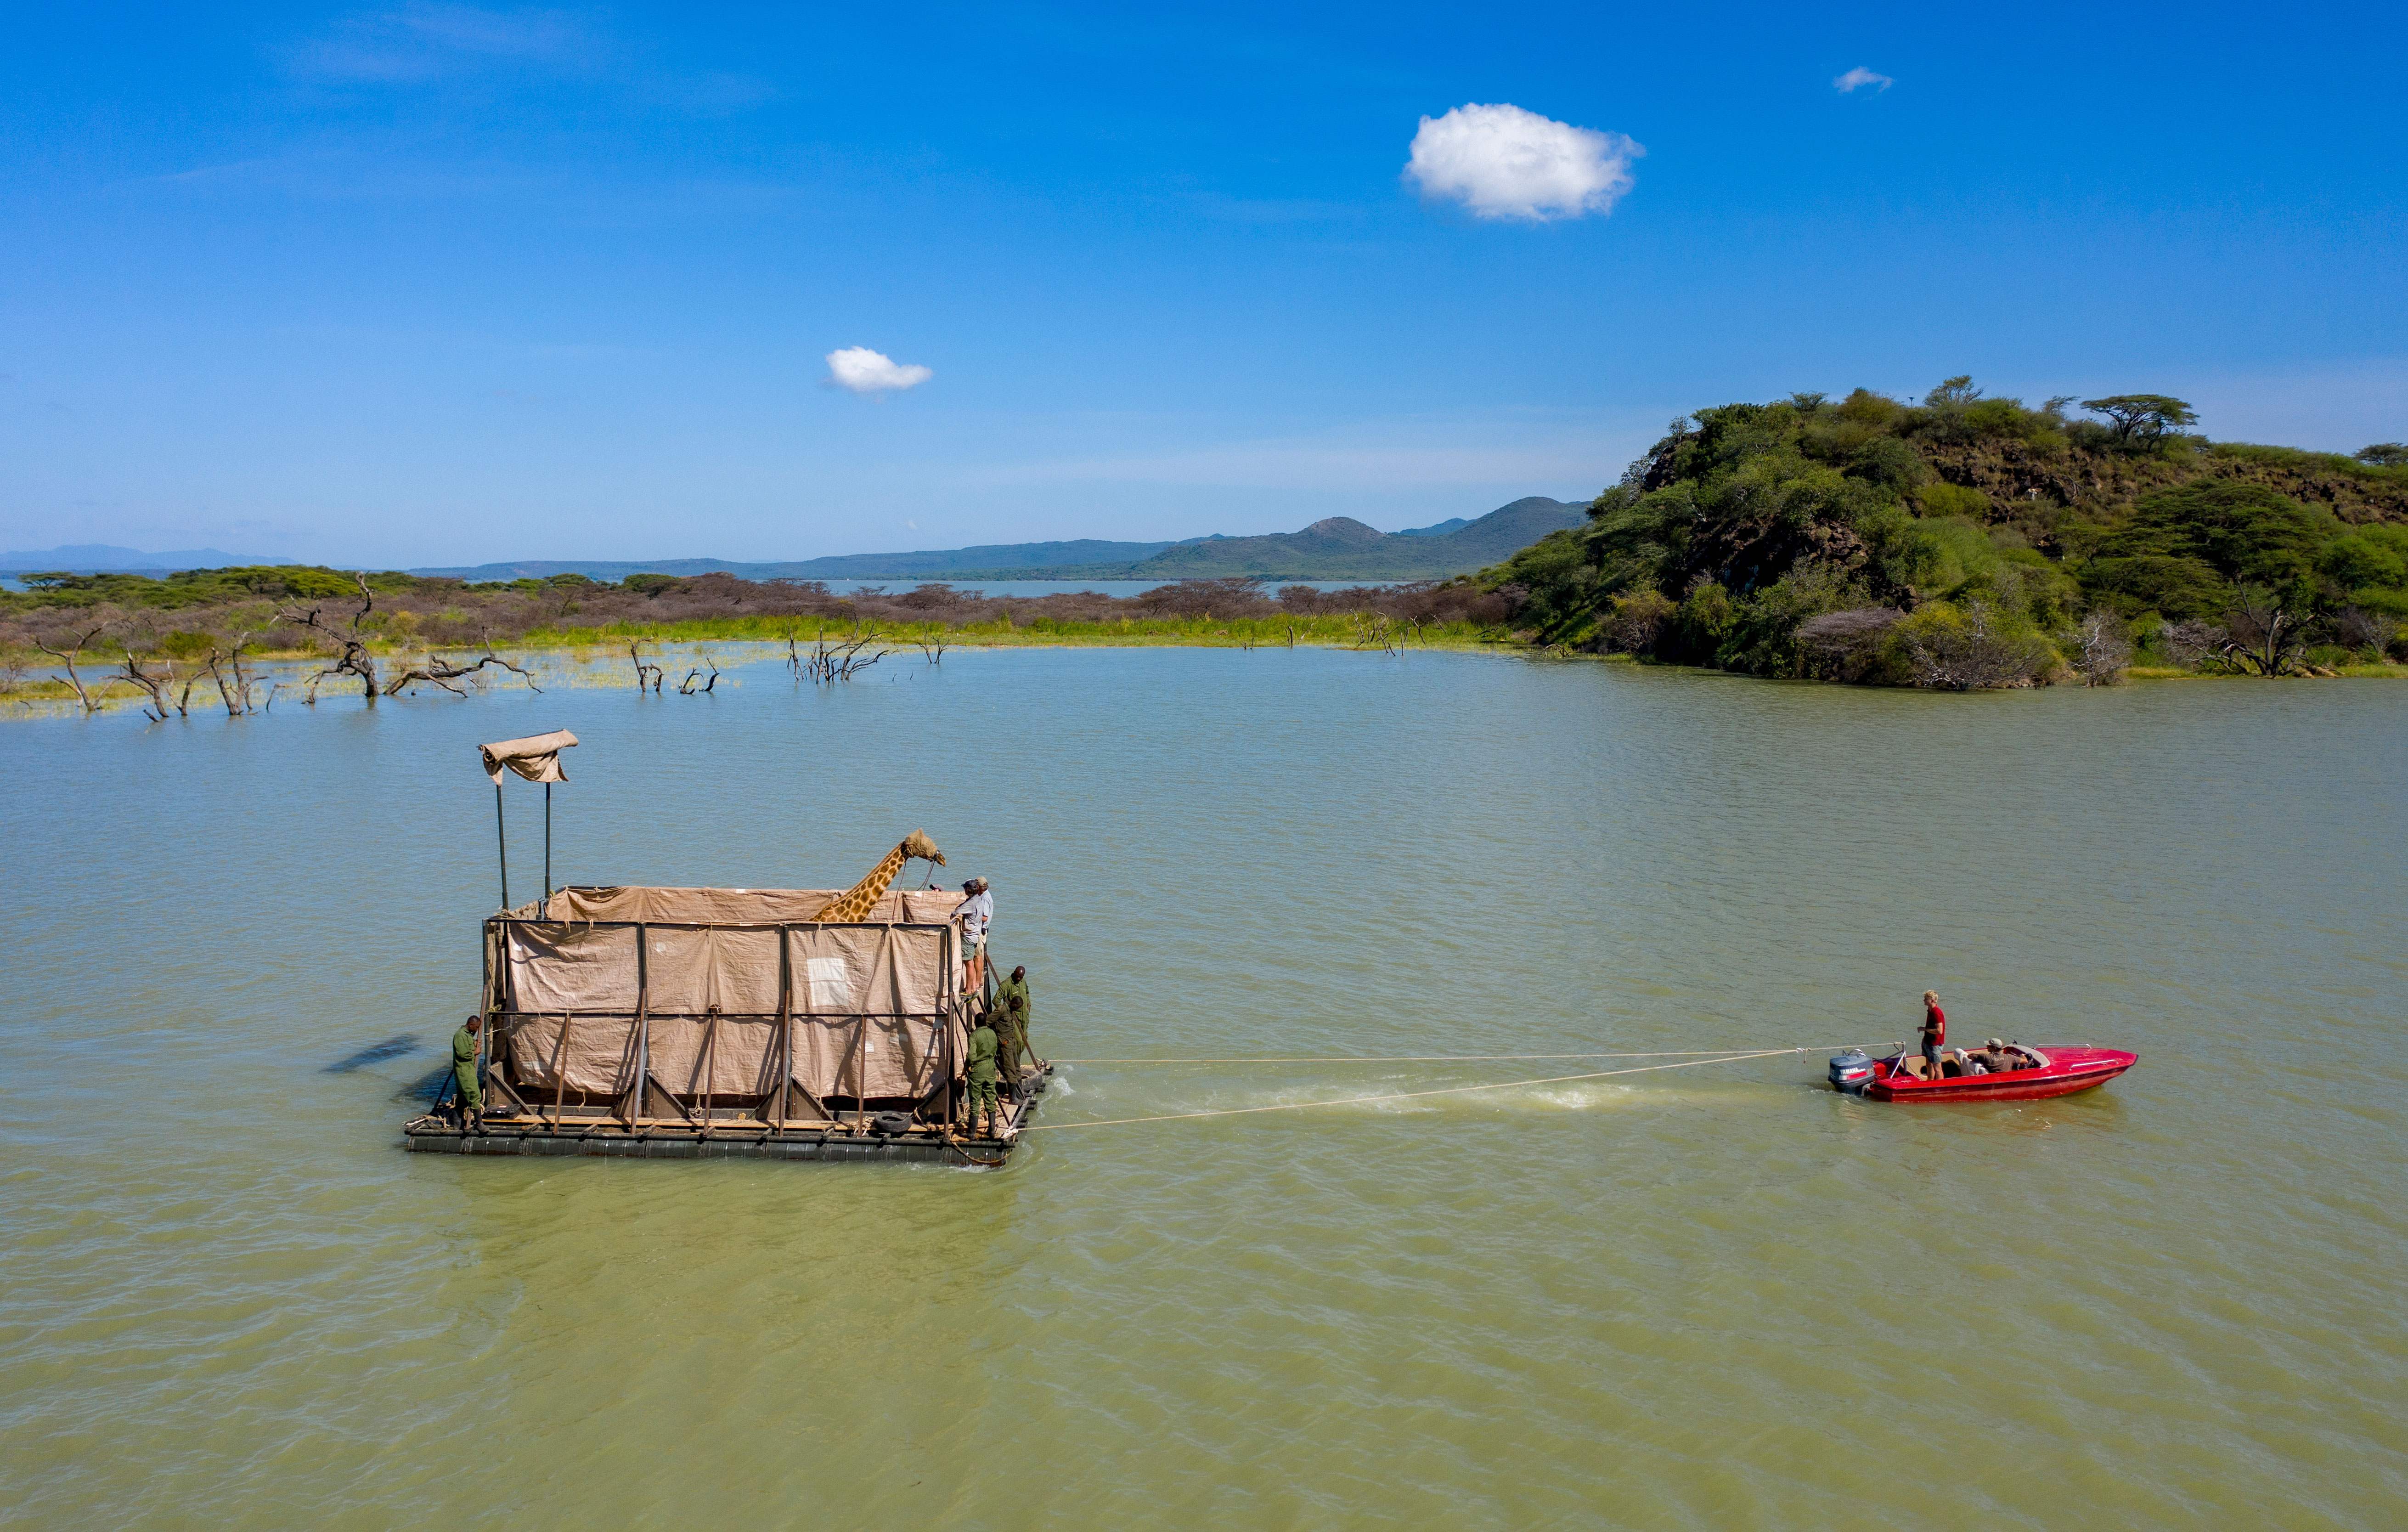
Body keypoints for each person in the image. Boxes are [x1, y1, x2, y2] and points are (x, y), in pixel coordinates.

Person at [993, 964, 1037, 1082]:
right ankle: (1014, 1067)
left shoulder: (1023, 982)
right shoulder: (1007, 984)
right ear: (1014, 973)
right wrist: (1006, 1013)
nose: (1018, 979)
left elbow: (1027, 994)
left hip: (1025, 1018)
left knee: (1024, 1042)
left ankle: (1017, 1063)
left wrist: (1028, 1007)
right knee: (1018, 1040)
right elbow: (996, 1000)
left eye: (1021, 977)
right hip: (1014, 1019)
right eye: (1017, 977)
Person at [964, 1007, 1001, 1137]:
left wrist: (968, 1064)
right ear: (986, 1023)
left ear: (975, 1024)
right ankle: (992, 1131)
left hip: (978, 1070)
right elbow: (996, 1048)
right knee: (990, 1099)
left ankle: (972, 1133)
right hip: (990, 1067)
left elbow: (972, 1056)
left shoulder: (974, 1036)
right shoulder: (992, 1033)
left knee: (975, 1101)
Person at [955, 877, 994, 993]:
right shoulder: (979, 899)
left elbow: (957, 913)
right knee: (975, 958)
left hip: (974, 934)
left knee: (972, 960)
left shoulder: (983, 899)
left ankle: (972, 986)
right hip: (977, 933)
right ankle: (976, 984)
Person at [452, 1015, 484, 1131]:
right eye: (476, 1028)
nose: (476, 1030)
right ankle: (479, 1124)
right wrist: (475, 1052)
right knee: (475, 1095)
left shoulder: (467, 1035)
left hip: (467, 1068)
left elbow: (467, 1047)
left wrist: (474, 1044)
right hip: (464, 1070)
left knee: (462, 1099)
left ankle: (457, 1126)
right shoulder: (460, 1036)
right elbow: (462, 1054)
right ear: (470, 1025)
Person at [1917, 990, 1946, 1081]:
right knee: (1929, 1064)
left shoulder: (1937, 1013)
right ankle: (1930, 1082)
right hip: (1928, 1042)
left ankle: (1939, 1086)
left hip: (1935, 1044)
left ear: (1933, 1001)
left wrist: (1925, 1029)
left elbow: (1939, 1031)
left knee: (1938, 1068)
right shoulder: (1930, 1011)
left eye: (1926, 999)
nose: (1924, 1000)